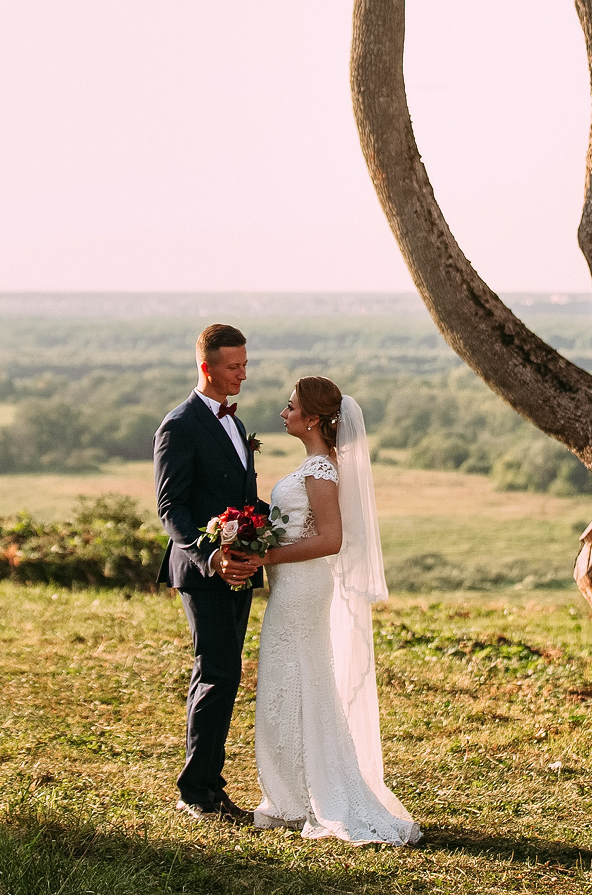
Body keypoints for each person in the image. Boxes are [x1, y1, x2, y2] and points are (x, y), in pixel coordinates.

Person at [246, 375, 421, 844]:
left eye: (291, 407)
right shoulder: (314, 465)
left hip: (302, 587)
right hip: (293, 583)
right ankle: (292, 793)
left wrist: (267, 555)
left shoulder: (321, 470)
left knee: (297, 676)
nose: (284, 414)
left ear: (314, 419)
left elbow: (331, 539)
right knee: (291, 678)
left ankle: (315, 794)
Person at [153, 322, 262, 824]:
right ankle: (198, 793)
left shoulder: (236, 425)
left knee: (227, 671)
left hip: (238, 566)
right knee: (216, 673)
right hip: (201, 571)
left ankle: (207, 785)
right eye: (233, 366)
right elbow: (170, 507)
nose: (243, 373)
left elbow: (243, 500)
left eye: (244, 363)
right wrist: (209, 555)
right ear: (207, 368)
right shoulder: (179, 425)